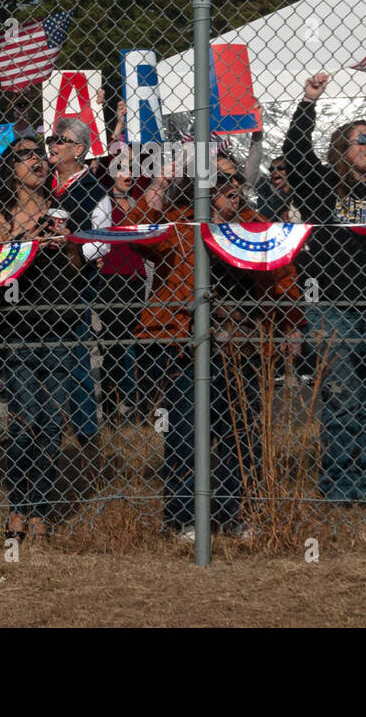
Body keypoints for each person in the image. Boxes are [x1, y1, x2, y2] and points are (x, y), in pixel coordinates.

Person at [123, 166, 304, 539]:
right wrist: (159, 185)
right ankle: (183, 517)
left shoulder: (258, 226)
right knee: (187, 431)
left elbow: (284, 277)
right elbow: (136, 236)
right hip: (188, 346)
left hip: (246, 346)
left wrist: (291, 323)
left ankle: (237, 515)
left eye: (236, 181)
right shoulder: (180, 224)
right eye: (222, 184)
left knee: (243, 435)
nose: (232, 190)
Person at [285, 72, 366, 504]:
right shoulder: (324, 188)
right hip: (334, 310)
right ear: (343, 148)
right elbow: (295, 155)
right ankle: (339, 488)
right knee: (341, 400)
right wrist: (308, 103)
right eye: (360, 139)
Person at [0, 137, 87, 541]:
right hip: (19, 332)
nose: (36, 160)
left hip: (60, 327)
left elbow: (79, 268)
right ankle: (17, 510)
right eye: (24, 155)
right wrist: (27, 238)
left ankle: (41, 511)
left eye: (39, 154)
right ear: (12, 168)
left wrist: (66, 246)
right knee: (25, 420)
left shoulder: (63, 212)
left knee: (51, 424)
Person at [46, 116, 102, 445]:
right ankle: (46, 421)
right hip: (41, 281)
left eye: (61, 140)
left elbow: (102, 241)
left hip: (76, 280)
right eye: (52, 139)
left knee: (77, 352)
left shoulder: (93, 189)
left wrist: (73, 244)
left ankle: (85, 431)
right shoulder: (44, 182)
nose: (53, 145)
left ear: (79, 149)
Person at [83, 160, 149, 423]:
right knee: (114, 341)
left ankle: (131, 397)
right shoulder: (104, 201)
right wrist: (118, 127)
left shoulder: (137, 202)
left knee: (133, 336)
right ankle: (111, 403)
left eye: (131, 170)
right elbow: (99, 165)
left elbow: (150, 179)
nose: (129, 175)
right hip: (111, 276)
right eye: (122, 170)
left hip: (137, 277)